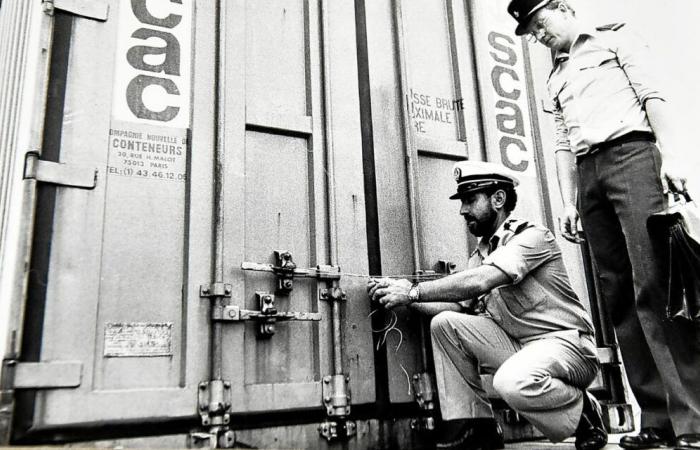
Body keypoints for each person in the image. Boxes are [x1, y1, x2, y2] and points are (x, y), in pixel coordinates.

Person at [506, 1, 700, 448]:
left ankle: (692, 419)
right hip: (588, 174)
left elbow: (652, 96)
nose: (538, 35)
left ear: (562, 7)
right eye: (531, 32)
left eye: (540, 24)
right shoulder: (555, 75)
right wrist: (569, 199)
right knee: (619, 296)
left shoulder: (615, 38)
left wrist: (670, 155)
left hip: (631, 156)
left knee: (653, 286)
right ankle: (655, 420)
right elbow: (560, 143)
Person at [368, 161, 606, 450]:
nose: (463, 210)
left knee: (511, 382)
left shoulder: (532, 237)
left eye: (470, 200)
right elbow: (458, 308)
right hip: (524, 349)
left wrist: (414, 291)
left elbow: (482, 281)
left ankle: (584, 412)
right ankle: (476, 426)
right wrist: (402, 296)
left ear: (498, 199)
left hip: (569, 348)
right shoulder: (480, 255)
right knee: (445, 324)